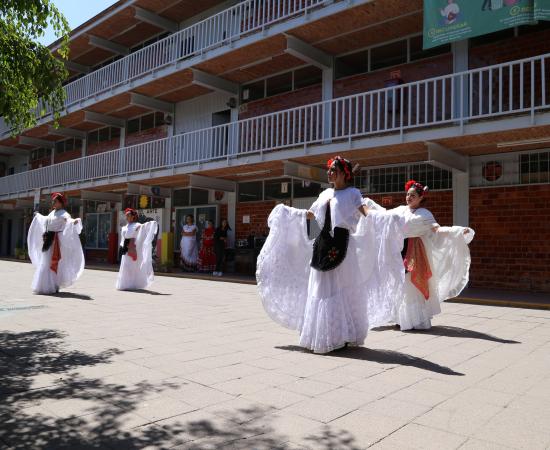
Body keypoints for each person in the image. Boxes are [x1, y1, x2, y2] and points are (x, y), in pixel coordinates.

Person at [257, 156, 405, 354]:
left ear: (344, 173)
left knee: (341, 288)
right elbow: (311, 215)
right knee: (321, 289)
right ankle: (326, 335)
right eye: (329, 169)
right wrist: (288, 213)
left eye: (333, 170)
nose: (329, 172)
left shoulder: (352, 193)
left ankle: (342, 335)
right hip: (323, 244)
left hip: (344, 246)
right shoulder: (325, 193)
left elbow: (366, 212)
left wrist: (387, 217)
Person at [365, 180, 474, 330]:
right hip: (399, 250)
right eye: (408, 194)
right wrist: (368, 205)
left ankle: (416, 320)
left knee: (411, 284)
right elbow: (384, 215)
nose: (409, 197)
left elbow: (437, 230)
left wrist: (457, 231)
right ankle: (402, 319)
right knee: (401, 284)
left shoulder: (424, 214)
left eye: (413, 195)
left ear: (421, 197)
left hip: (415, 251)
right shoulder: (401, 209)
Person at [27, 192, 84, 295]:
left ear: (61, 203)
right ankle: (44, 285)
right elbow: (47, 221)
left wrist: (74, 221)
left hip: (56, 242)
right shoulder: (52, 213)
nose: (53, 203)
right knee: (45, 262)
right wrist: (39, 216)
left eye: (55, 201)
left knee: (53, 262)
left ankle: (53, 285)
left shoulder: (64, 213)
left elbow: (68, 220)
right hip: (48, 240)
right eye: (53, 201)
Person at [116, 208, 158, 291]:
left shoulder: (137, 225)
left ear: (133, 216)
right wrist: (121, 247)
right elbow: (123, 239)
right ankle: (125, 284)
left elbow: (145, 228)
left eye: (129, 215)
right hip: (125, 248)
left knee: (133, 266)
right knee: (125, 266)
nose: (127, 217)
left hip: (134, 248)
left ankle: (133, 284)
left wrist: (152, 224)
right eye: (126, 215)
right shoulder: (124, 227)